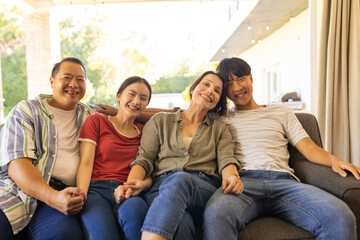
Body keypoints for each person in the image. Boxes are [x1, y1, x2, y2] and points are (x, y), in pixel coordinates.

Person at [204, 57, 360, 240]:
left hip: (285, 182)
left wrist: (336, 161)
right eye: (229, 83)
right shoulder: (220, 118)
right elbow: (187, 114)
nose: (237, 87)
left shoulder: (281, 112)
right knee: (216, 215)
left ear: (251, 78)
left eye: (241, 79)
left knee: (341, 217)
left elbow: (309, 148)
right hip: (243, 183)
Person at [115, 70, 242, 240]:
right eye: (206, 84)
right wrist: (130, 185)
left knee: (180, 179)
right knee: (181, 223)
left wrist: (232, 176)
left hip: (201, 189)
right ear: (193, 88)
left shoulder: (219, 129)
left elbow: (227, 160)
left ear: (218, 101)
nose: (210, 90)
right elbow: (144, 159)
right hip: (161, 190)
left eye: (217, 90)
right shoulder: (160, 121)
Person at [0, 57, 94, 240]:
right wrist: (53, 198)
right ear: (52, 82)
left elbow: (127, 110)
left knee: (64, 235)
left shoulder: (90, 115)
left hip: (65, 194)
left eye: (80, 79)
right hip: (18, 191)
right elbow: (17, 164)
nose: (74, 84)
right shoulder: (26, 111)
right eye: (67, 77)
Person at [76, 76, 152, 240]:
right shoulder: (97, 120)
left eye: (143, 98)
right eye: (131, 94)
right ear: (119, 96)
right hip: (95, 191)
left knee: (136, 211)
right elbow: (85, 163)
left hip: (127, 192)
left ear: (146, 104)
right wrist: (81, 195)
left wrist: (139, 186)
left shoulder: (146, 132)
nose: (136, 101)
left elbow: (150, 173)